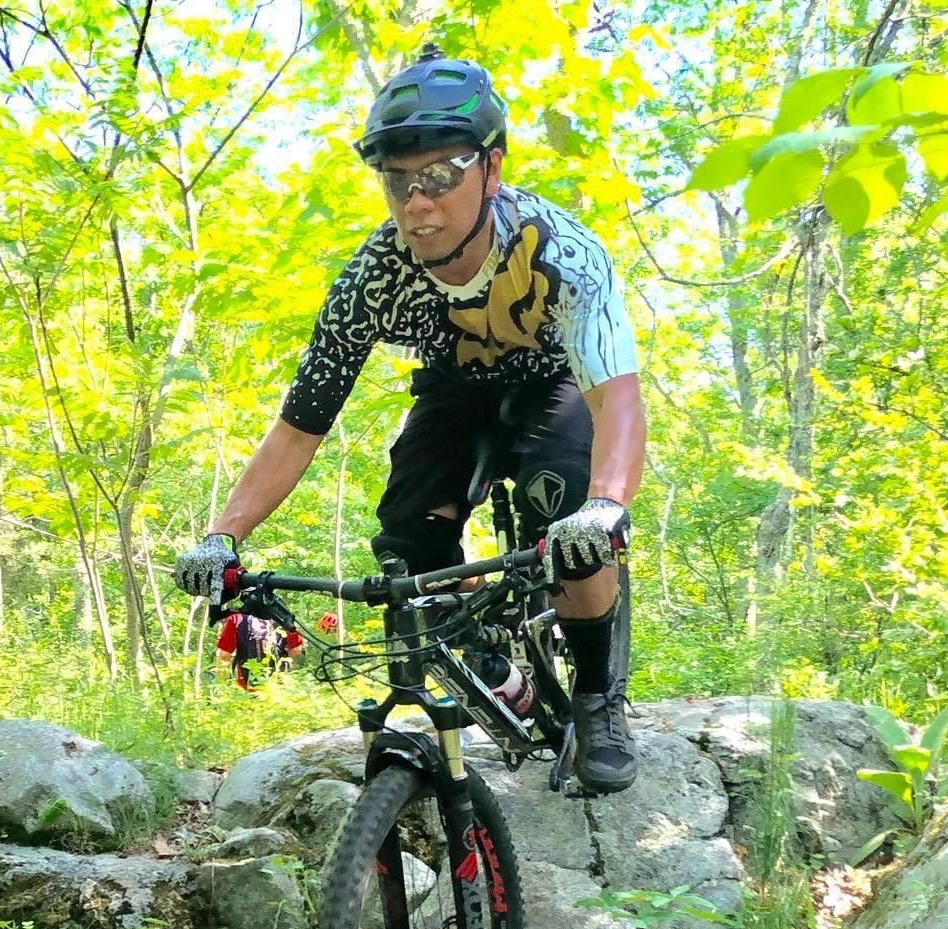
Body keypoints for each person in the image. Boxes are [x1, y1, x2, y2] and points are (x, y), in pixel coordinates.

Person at [173, 46, 647, 792]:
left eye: (439, 177)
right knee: (405, 541)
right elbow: (300, 425)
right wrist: (223, 533)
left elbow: (615, 395)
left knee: (566, 508)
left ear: (491, 170)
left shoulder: (561, 252)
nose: (416, 201)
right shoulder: (372, 277)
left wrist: (607, 504)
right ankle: (485, 655)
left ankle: (598, 697)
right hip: (453, 392)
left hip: (557, 381)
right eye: (397, 182)